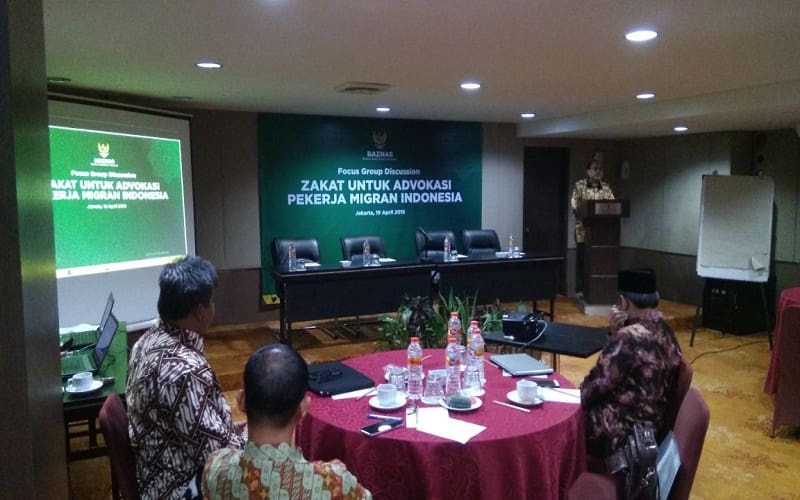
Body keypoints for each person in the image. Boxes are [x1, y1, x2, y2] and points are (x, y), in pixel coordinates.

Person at [127, 256, 246, 500]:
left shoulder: (145, 341)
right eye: (211, 301)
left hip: (156, 468)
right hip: (179, 487)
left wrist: (233, 430)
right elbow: (221, 463)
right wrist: (260, 432)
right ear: (200, 311)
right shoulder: (185, 371)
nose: (213, 307)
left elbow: (191, 429)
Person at [203, 344, 372, 500]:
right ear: (303, 408)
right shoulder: (334, 483)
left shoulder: (216, 467)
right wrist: (333, 474)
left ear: (241, 400)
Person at [580, 268, 682, 461]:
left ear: (623, 302)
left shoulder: (629, 338)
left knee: (565, 421)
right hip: (652, 427)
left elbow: (594, 387)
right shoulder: (668, 332)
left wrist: (614, 337)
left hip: (623, 432)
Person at [570, 154, 615, 296]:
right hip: (583, 231)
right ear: (588, 171)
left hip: (601, 234)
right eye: (595, 169)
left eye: (601, 169)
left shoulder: (606, 187)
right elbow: (575, 206)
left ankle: (598, 288)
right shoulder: (579, 186)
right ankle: (580, 289)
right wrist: (586, 211)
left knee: (599, 262)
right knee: (582, 261)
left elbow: (613, 205)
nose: (598, 172)